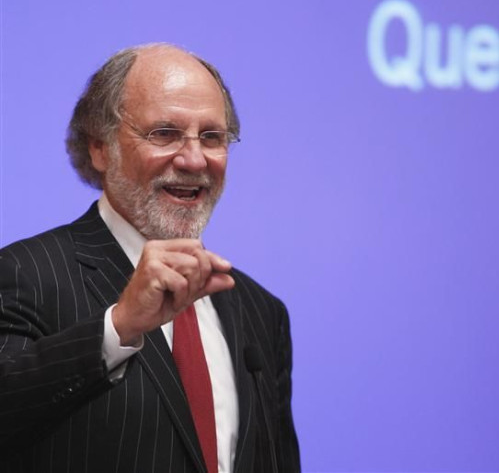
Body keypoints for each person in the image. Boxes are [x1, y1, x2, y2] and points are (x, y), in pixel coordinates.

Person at [0, 43, 300, 473]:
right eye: (165, 133)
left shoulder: (260, 312)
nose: (195, 159)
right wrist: (118, 326)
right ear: (100, 148)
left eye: (212, 137)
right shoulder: (24, 275)